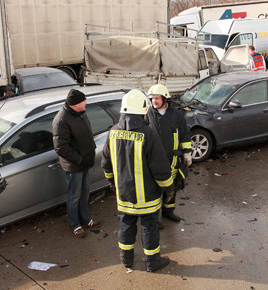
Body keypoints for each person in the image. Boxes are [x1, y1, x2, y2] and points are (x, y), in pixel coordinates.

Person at [102, 89, 174, 272]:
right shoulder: (148, 134)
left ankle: (126, 260)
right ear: (142, 111)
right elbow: (160, 167)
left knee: (126, 225)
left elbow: (106, 164)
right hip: (147, 197)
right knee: (149, 227)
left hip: (124, 195)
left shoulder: (113, 133)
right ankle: (152, 262)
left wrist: (113, 183)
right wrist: (169, 188)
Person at [52, 89, 101, 238]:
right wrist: (79, 159)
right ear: (75, 104)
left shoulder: (80, 113)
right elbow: (61, 147)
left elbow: (86, 134)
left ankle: (85, 218)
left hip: (85, 162)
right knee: (74, 195)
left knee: (85, 191)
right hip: (74, 166)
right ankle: (75, 224)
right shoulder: (61, 120)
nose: (86, 102)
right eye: (83, 101)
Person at [147, 84, 192, 224]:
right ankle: (155, 218)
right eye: (152, 98)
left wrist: (187, 153)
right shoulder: (147, 114)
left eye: (157, 98)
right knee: (154, 190)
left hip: (172, 160)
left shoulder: (176, 115)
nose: (154, 101)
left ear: (165, 99)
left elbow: (184, 135)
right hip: (153, 160)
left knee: (171, 187)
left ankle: (168, 212)